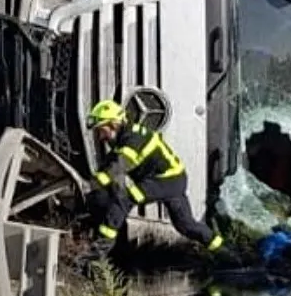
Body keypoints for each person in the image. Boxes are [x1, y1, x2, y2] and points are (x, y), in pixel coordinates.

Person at [80, 99, 232, 265]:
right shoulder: (124, 138)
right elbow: (108, 166)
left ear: (114, 124)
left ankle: (96, 255)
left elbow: (119, 165)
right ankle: (227, 256)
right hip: (173, 181)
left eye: (102, 130)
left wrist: (92, 185)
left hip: (166, 179)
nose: (101, 137)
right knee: (186, 225)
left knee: (124, 199)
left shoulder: (133, 139)